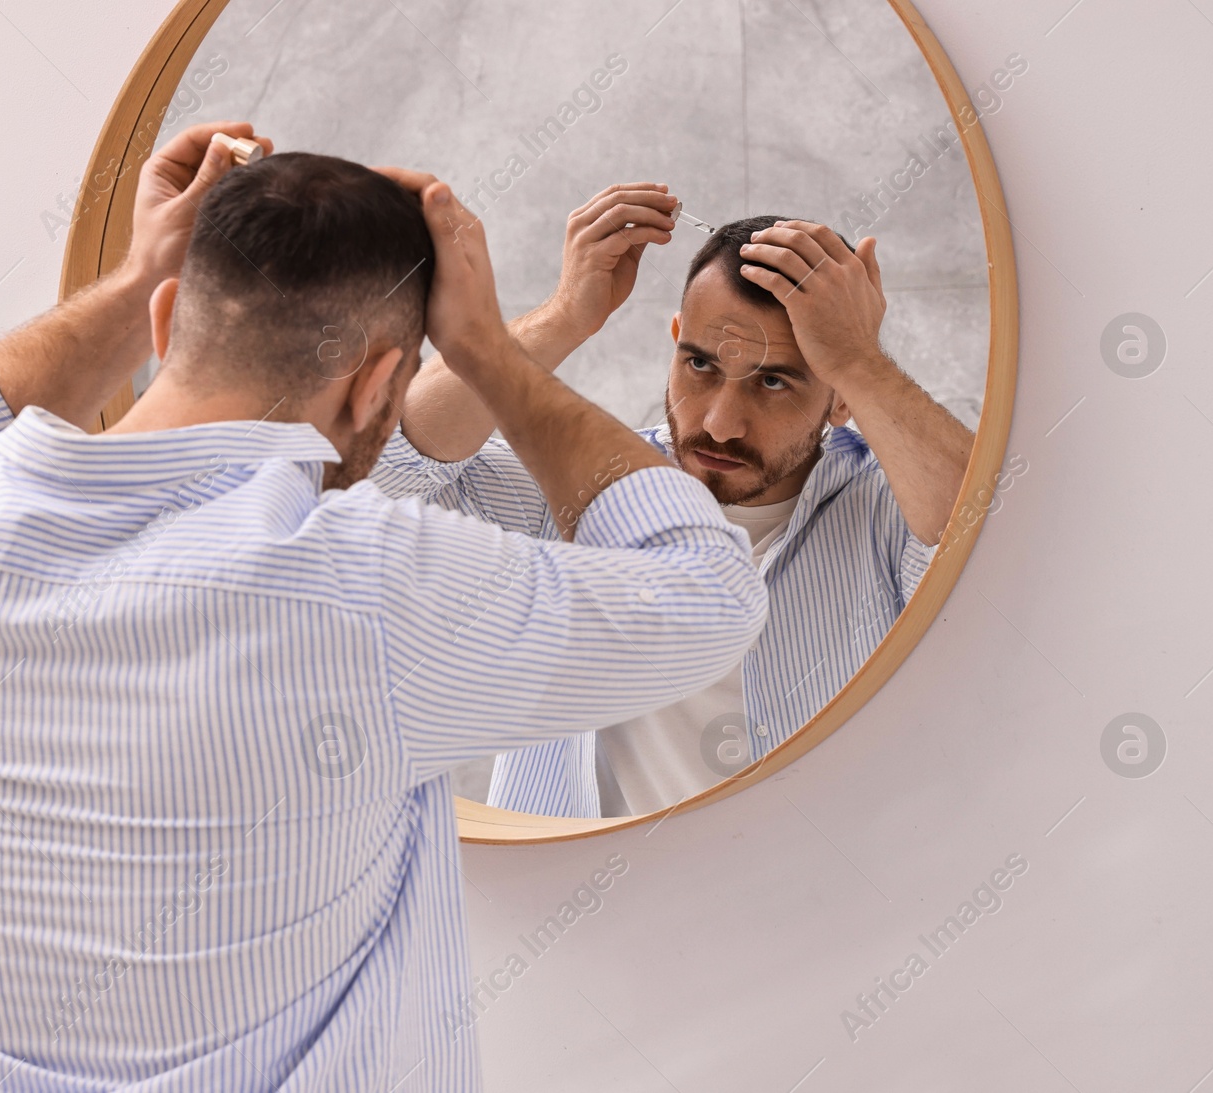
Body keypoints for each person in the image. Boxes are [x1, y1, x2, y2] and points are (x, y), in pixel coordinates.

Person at [0, 127, 767, 1091]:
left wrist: (150, 267)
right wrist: (484, 347)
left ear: (162, 323)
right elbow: (704, 590)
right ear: (376, 390)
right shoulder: (362, 592)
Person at [371, 182, 975, 818]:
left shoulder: (886, 510)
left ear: (841, 398)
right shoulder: (577, 479)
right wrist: (566, 313)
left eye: (773, 382)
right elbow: (390, 464)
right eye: (700, 365)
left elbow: (986, 540)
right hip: (575, 900)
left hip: (806, 904)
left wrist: (860, 358)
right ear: (676, 338)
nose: (719, 423)